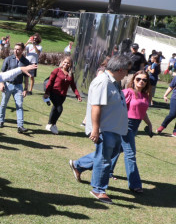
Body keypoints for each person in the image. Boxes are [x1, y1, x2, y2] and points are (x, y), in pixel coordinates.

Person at [68, 54, 131, 205]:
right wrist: (95, 129)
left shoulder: (114, 82)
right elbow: (96, 107)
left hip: (115, 128)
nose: (128, 74)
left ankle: (79, 165)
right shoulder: (102, 82)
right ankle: (98, 189)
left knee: (111, 153)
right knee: (104, 159)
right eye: (127, 70)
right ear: (120, 69)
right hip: (104, 128)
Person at [121, 72, 154, 193]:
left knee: (115, 150)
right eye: (138, 79)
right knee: (130, 154)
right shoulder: (127, 92)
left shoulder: (145, 95)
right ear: (133, 80)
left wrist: (149, 123)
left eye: (144, 80)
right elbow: (116, 108)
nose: (141, 81)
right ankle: (135, 184)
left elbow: (142, 112)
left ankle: (80, 165)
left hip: (135, 126)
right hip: (126, 125)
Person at [0, 43, 34, 134]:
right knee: (3, 103)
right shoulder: (8, 59)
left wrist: (26, 89)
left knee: (19, 105)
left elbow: (26, 77)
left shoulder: (25, 61)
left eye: (18, 49)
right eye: (14, 49)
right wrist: (1, 84)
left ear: (22, 50)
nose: (15, 51)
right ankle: (1, 121)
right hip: (7, 84)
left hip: (18, 86)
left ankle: (20, 126)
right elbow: (1, 73)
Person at [44, 55, 82, 134]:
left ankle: (49, 124)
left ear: (70, 64)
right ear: (62, 62)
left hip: (63, 95)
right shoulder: (56, 71)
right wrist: (47, 93)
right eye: (65, 62)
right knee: (59, 109)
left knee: (55, 108)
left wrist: (77, 95)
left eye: (68, 63)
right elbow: (50, 82)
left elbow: (73, 86)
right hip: (54, 93)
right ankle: (53, 125)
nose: (66, 64)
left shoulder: (70, 74)